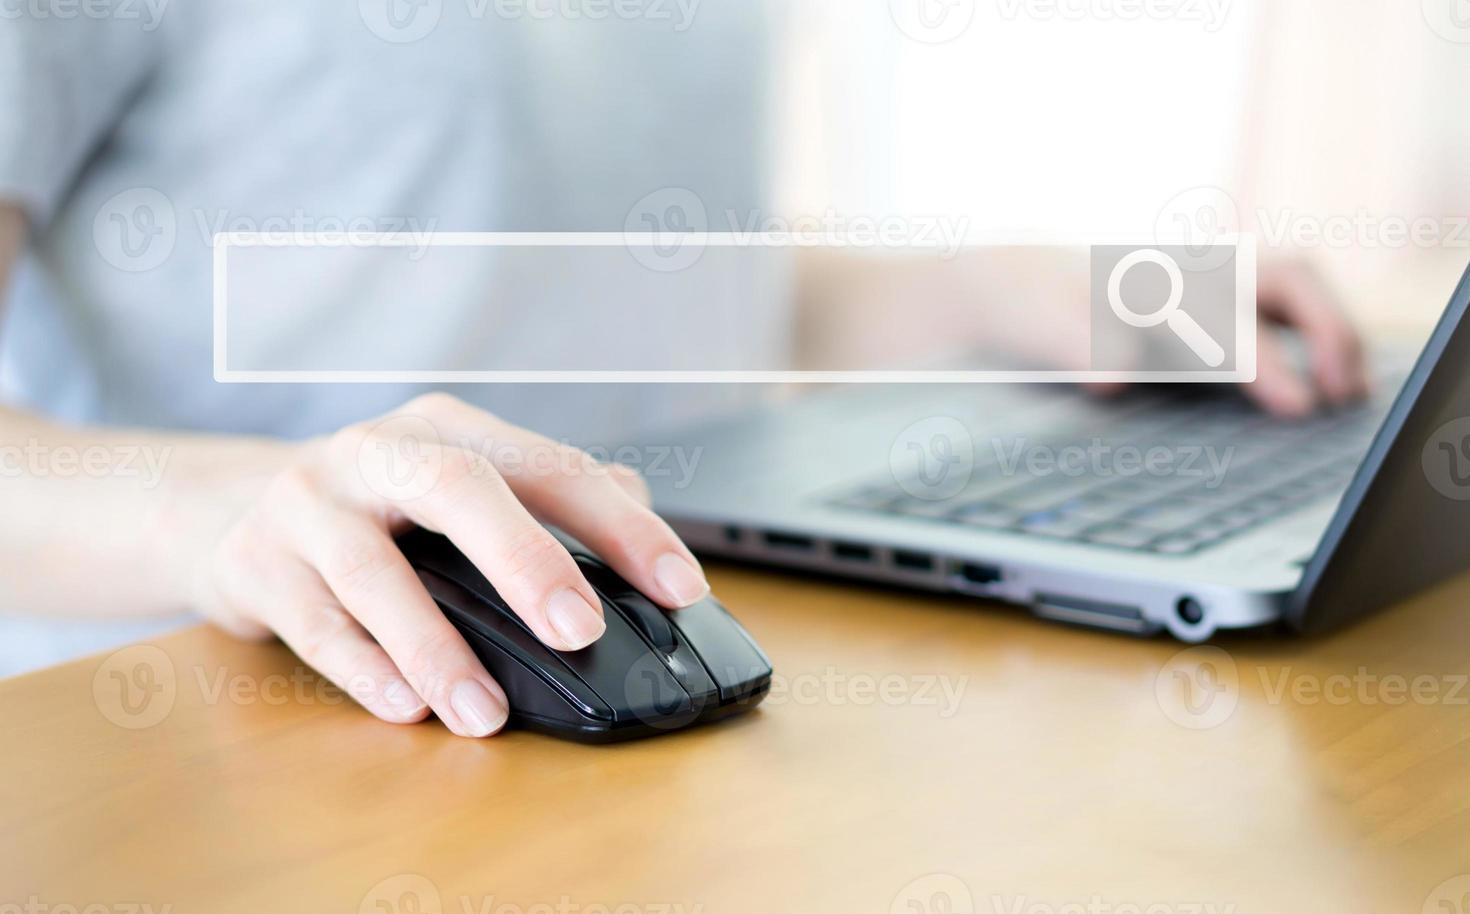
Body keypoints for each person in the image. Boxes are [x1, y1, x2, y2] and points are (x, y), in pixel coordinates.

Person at [0, 3, 1365, 736]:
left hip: (673, 651)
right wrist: (235, 516)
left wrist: (996, 284)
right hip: (225, 738)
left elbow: (654, 283)